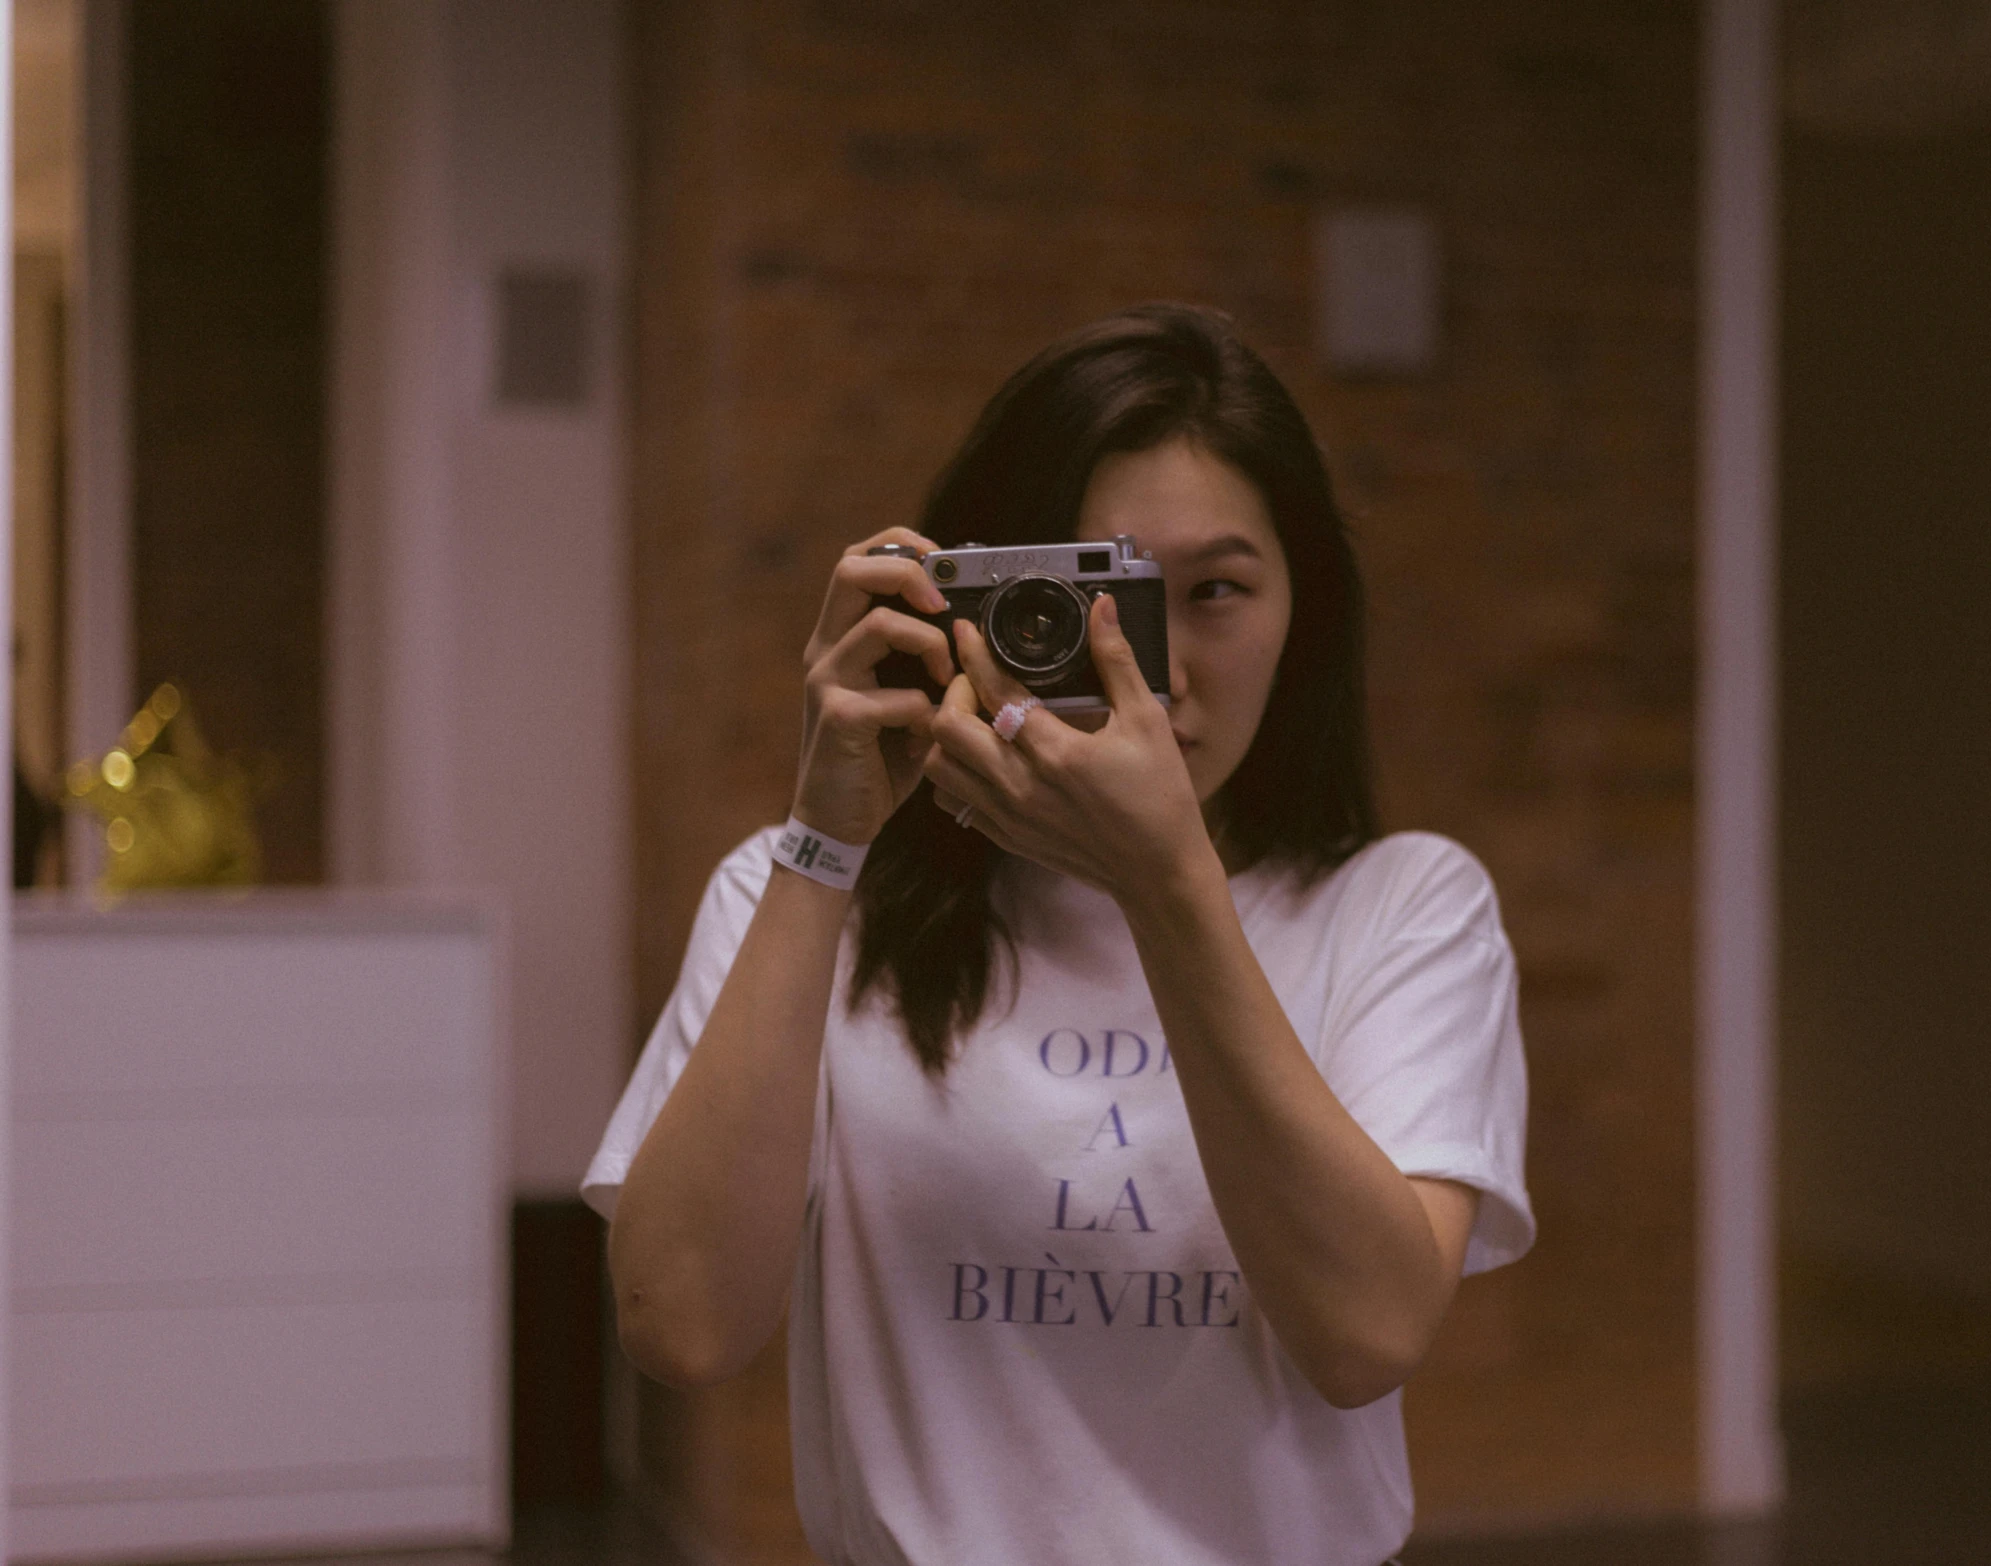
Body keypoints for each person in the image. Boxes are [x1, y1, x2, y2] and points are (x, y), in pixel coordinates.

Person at [585, 303, 1532, 1564]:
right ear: (973, 600)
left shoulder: (1402, 907)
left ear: (1305, 609)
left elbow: (1364, 1336)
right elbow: (684, 1327)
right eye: (1100, 599)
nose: (1162, 673)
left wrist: (1166, 884)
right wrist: (825, 835)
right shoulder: (804, 892)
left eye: (1216, 594)